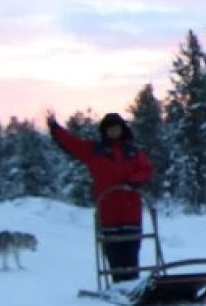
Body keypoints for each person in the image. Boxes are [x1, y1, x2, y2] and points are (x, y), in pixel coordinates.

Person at [48, 111, 155, 283]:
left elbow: (147, 170)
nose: (114, 132)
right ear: (104, 131)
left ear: (123, 129)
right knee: (113, 251)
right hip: (108, 210)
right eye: (110, 129)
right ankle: (118, 284)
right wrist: (55, 128)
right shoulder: (94, 151)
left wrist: (134, 181)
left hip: (130, 210)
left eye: (117, 128)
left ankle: (133, 283)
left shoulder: (133, 152)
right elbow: (72, 144)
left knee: (131, 249)